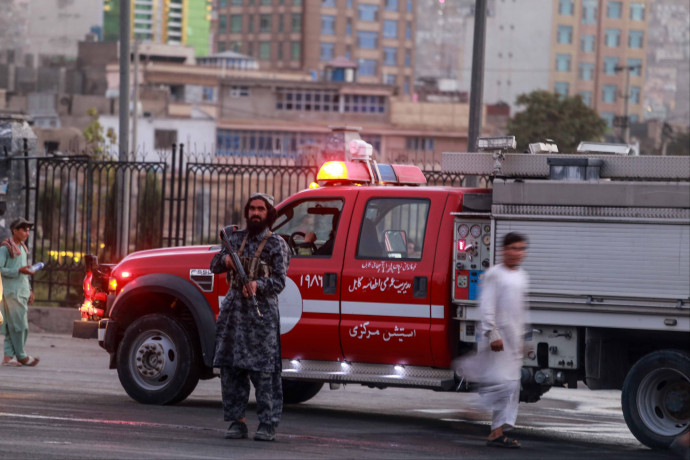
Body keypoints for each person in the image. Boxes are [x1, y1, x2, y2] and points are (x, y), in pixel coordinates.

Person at [210, 193, 290, 442]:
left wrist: (257, 285)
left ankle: (267, 424)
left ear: (269, 214)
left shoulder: (277, 244)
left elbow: (279, 281)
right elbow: (214, 264)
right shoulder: (234, 238)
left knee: (264, 372)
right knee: (231, 369)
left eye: (261, 209)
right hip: (233, 314)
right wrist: (226, 260)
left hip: (260, 315)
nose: (255, 213)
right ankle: (237, 422)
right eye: (252, 209)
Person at [477, 232, 529, 448]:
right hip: (498, 342)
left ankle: (497, 431)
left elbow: (521, 310)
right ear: (504, 250)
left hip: (513, 341)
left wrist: (523, 339)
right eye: (514, 248)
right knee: (503, 385)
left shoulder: (521, 276)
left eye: (521, 249)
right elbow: (486, 306)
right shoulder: (494, 275)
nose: (517, 253)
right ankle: (475, 413)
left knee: (512, 386)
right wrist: (493, 333)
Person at [0, 218, 40, 367]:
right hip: (11, 294)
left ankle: (8, 357)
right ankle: (21, 356)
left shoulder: (22, 248)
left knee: (13, 327)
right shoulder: (5, 248)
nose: (26, 233)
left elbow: (24, 270)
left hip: (21, 292)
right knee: (21, 326)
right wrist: (18, 270)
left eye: (28, 231)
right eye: (24, 230)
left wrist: (29, 290)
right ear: (14, 231)